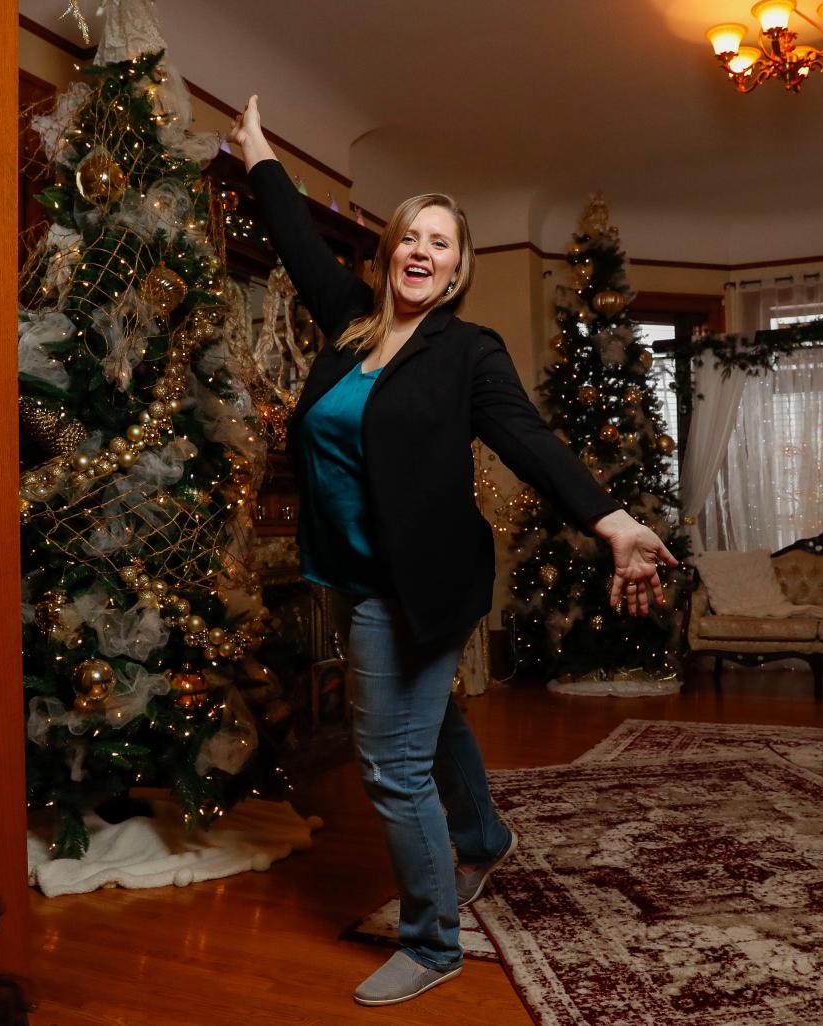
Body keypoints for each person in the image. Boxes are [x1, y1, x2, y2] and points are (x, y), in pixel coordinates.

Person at [229, 96, 680, 1008]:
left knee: (392, 767)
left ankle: (432, 940)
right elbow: (295, 242)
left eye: (441, 242)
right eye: (411, 236)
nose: (422, 251)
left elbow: (532, 443)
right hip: (358, 577)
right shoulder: (351, 325)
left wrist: (614, 521)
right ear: (391, 250)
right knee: (433, 724)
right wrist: (257, 154)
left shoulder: (469, 353)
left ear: (458, 267)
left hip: (427, 583)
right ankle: (483, 839)